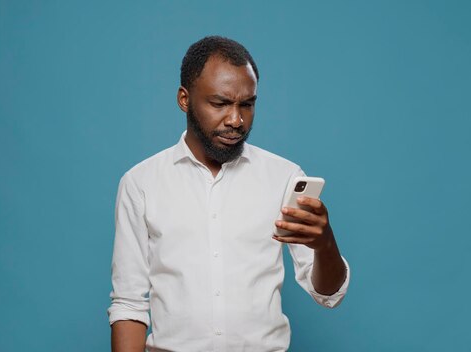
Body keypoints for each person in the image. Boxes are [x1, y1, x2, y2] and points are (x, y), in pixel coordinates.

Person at [108, 36, 350, 352]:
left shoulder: (284, 177)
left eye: (246, 105)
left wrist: (325, 244)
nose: (236, 120)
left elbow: (328, 294)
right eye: (220, 103)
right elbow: (128, 303)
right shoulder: (141, 183)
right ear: (184, 99)